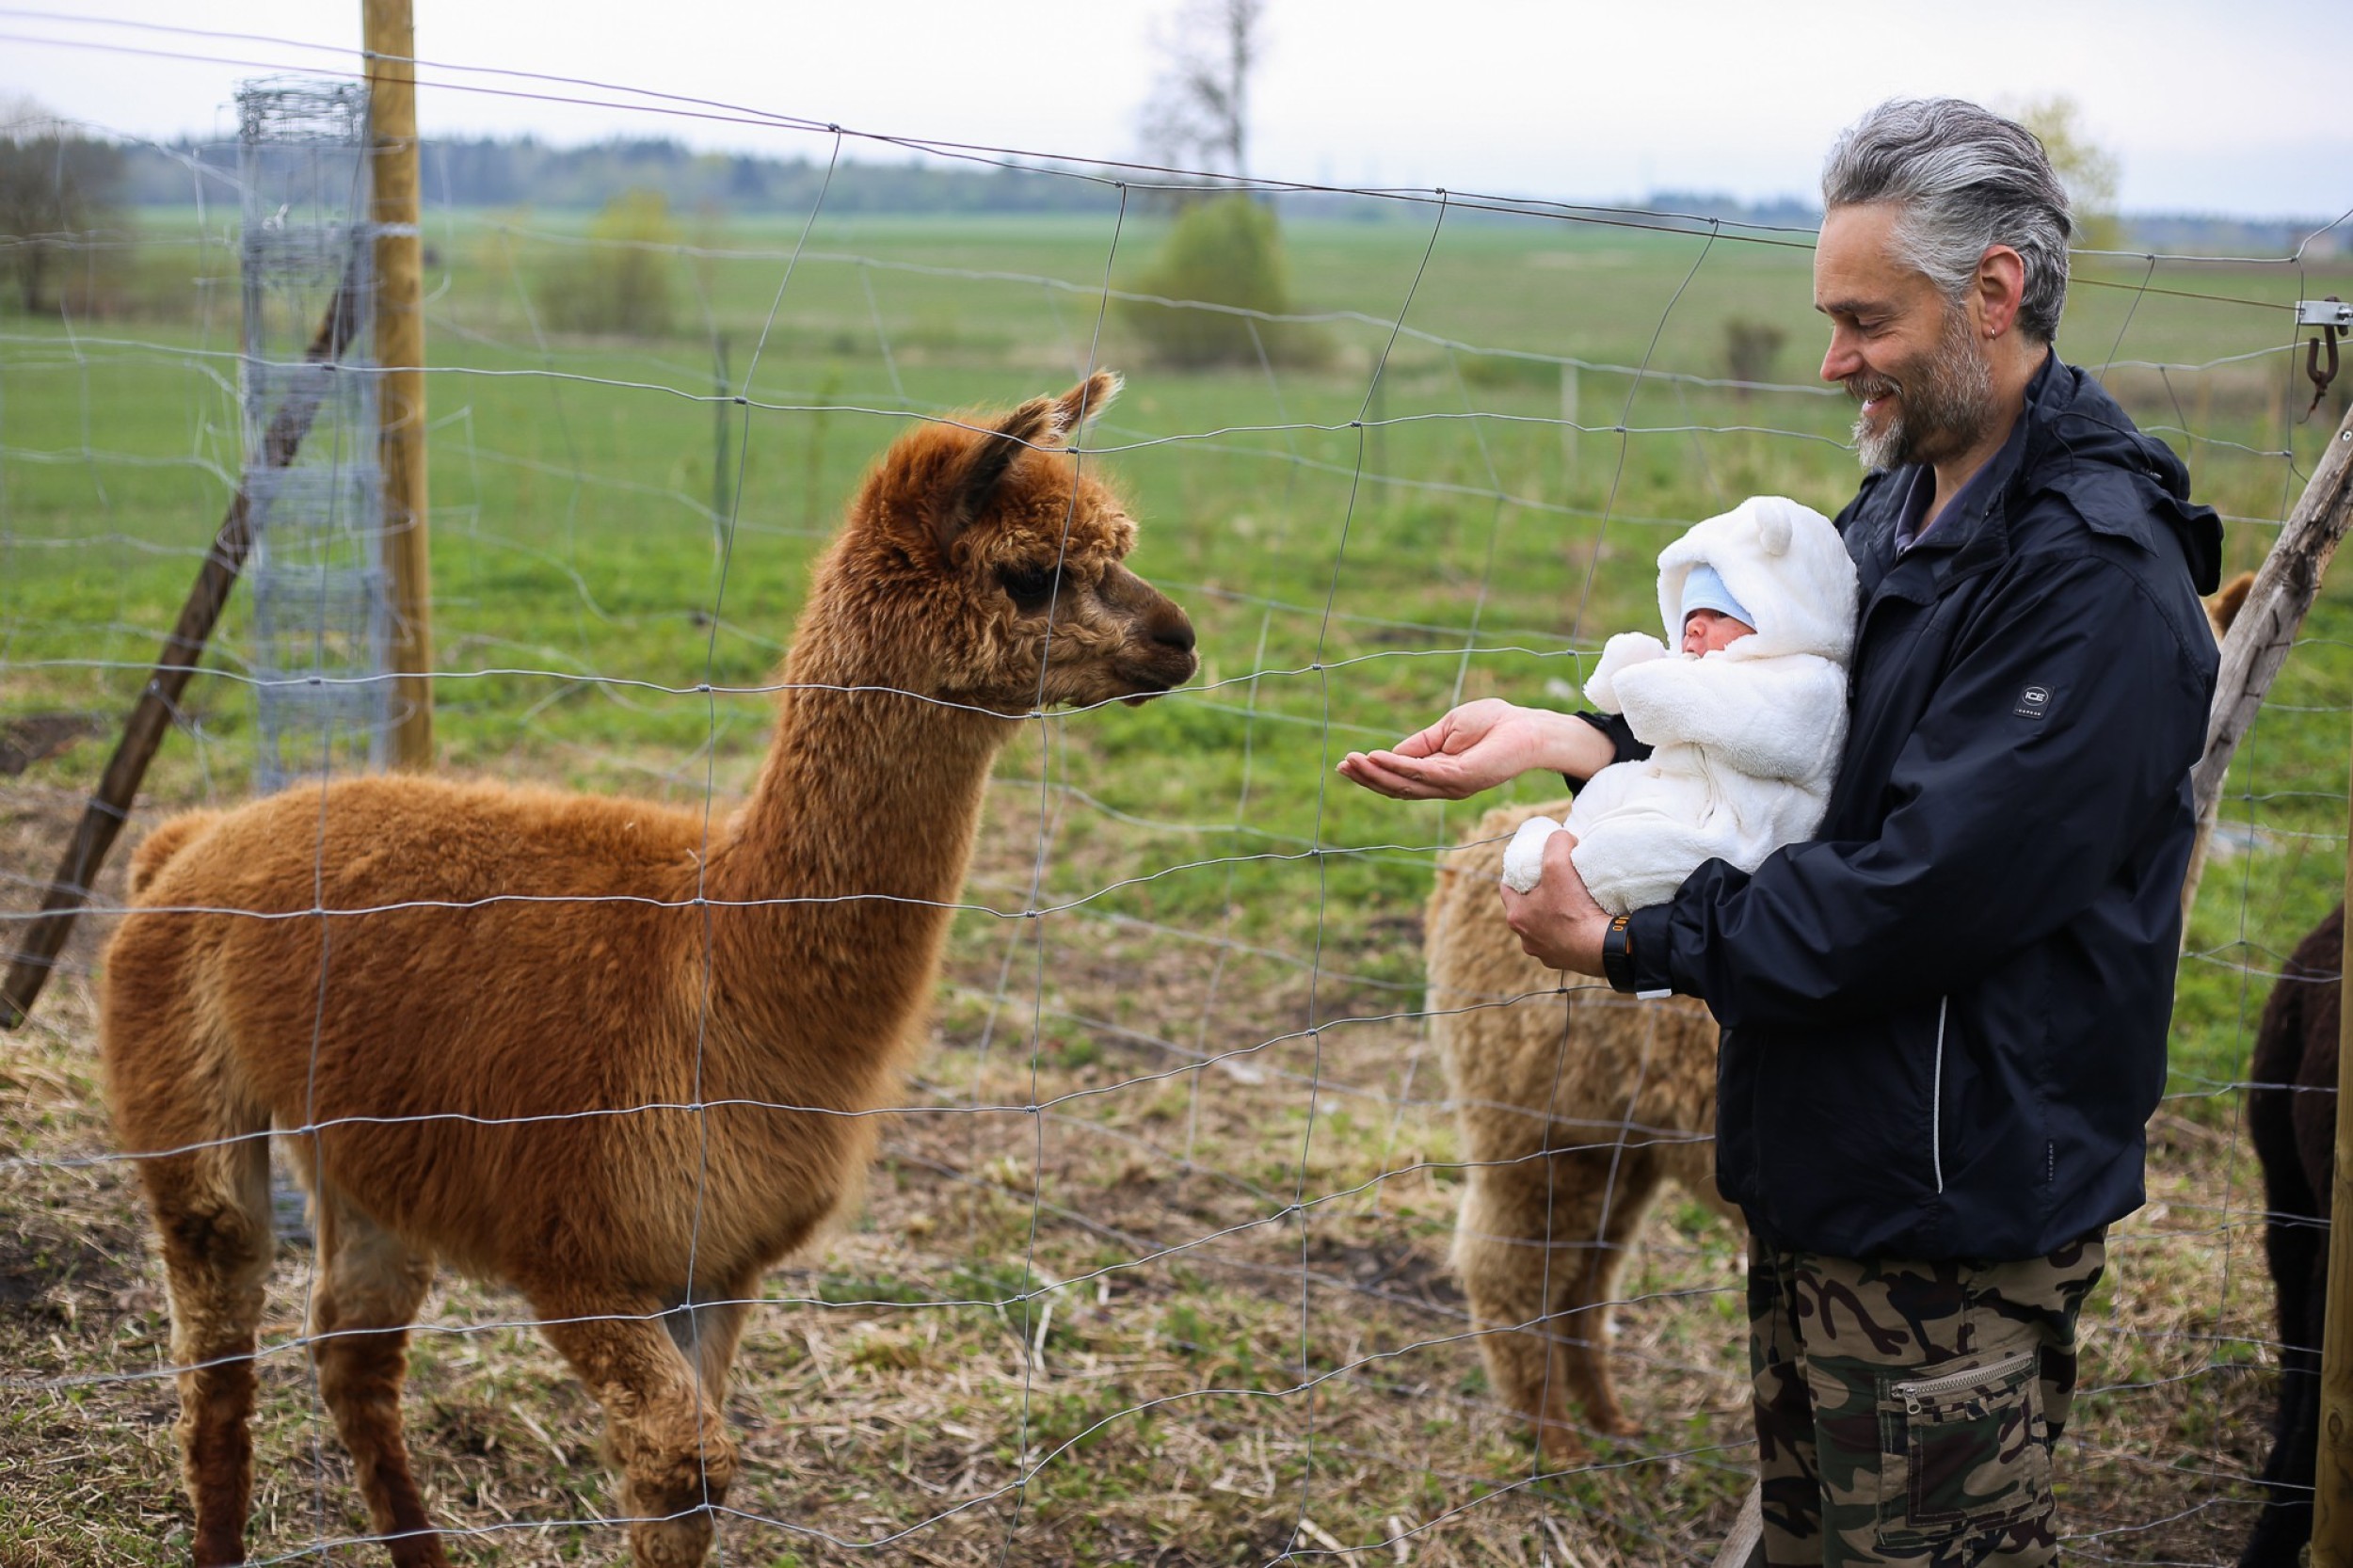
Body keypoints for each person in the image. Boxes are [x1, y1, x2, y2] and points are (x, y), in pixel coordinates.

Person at [1340, 97, 2221, 1567]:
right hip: (1831, 1162)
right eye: (1829, 316)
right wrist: (1580, 742)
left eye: (1866, 318)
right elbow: (1790, 742)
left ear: (1993, 294)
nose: (1833, 361)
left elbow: (1908, 891)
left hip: (1951, 1210)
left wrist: (1632, 944)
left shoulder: (2090, 584)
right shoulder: (1897, 519)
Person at [1508, 495, 1857, 916]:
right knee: (1610, 787)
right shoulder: (1695, 673)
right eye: (1691, 613)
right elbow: (1655, 694)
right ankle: (1555, 848)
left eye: (1719, 613)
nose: (1694, 625)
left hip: (1741, 834)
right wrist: (1638, 668)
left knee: (1637, 850)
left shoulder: (1807, 684)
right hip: (1680, 790)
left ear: (1777, 619)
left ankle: (1589, 874)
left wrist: (1649, 683)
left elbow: (1724, 711)